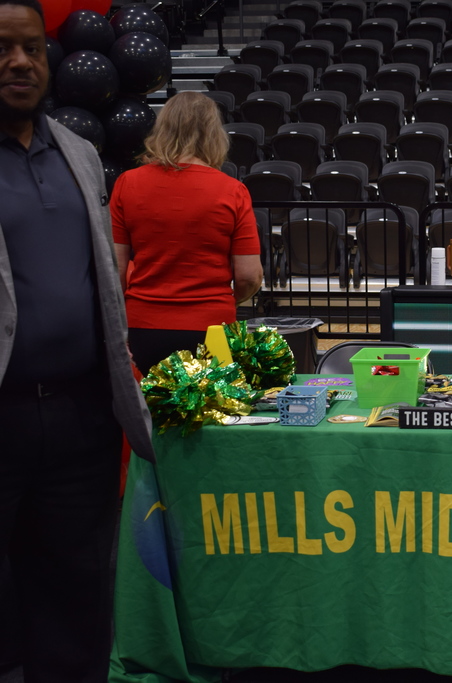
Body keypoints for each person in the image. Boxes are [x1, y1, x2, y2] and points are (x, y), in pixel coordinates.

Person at [0, 0, 155, 679]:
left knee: (78, 596)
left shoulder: (83, 155)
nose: (19, 62)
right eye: (3, 48)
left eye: (32, 48)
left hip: (81, 417)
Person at [111, 91, 263, 374]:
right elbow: (249, 275)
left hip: (142, 325)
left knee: (148, 414)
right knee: (215, 414)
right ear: (213, 134)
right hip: (212, 327)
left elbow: (115, 270)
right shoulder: (232, 191)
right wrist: (225, 300)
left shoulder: (126, 183)